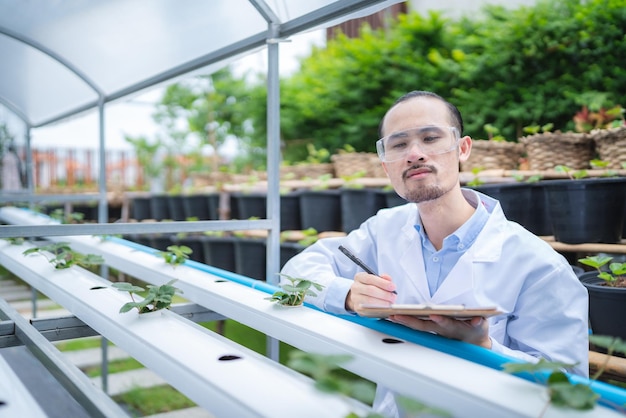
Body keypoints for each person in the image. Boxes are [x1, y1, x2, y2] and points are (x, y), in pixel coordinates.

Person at [280, 90, 589, 417]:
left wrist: (483, 347)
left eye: (430, 138)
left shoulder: (540, 265)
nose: (414, 154)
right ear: (386, 164)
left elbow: (570, 390)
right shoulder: (383, 229)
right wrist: (347, 295)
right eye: (399, 145)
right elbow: (294, 273)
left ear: (463, 149)